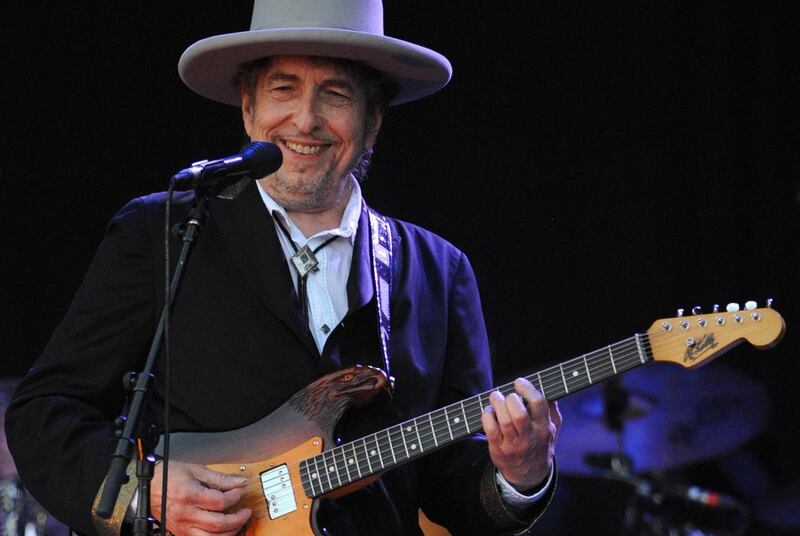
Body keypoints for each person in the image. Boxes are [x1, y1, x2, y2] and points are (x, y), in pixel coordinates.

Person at [5, 1, 561, 535]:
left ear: (373, 122)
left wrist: (521, 473)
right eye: (283, 89)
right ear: (248, 109)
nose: (306, 119)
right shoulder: (162, 232)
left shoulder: (439, 270)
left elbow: (452, 489)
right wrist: (144, 490)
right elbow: (44, 414)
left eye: (336, 94)